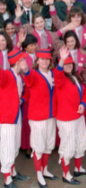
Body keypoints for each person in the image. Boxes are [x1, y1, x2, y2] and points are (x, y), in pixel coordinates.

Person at [54, 45, 86, 184]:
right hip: (66, 119)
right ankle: (66, 175)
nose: (68, 66)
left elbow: (83, 96)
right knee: (68, 147)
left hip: (78, 117)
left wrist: (83, 104)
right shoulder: (60, 79)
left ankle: (78, 168)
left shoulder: (75, 78)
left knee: (80, 143)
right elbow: (57, 75)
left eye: (70, 63)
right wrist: (61, 61)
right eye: (66, 64)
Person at [22, 48, 57, 187]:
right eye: (42, 59)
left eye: (47, 59)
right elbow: (29, 79)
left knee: (48, 145)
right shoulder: (34, 74)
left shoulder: (53, 74)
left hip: (51, 114)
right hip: (37, 117)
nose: (44, 61)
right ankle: (39, 174)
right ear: (37, 60)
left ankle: (45, 169)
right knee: (38, 146)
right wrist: (25, 70)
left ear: (50, 61)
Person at [0, 47, 30, 187]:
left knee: (14, 146)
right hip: (6, 118)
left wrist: (22, 100)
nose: (25, 60)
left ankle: (12, 172)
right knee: (7, 147)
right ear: (18, 62)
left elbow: (25, 94)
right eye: (23, 59)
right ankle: (7, 180)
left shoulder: (20, 77)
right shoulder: (6, 75)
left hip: (16, 117)